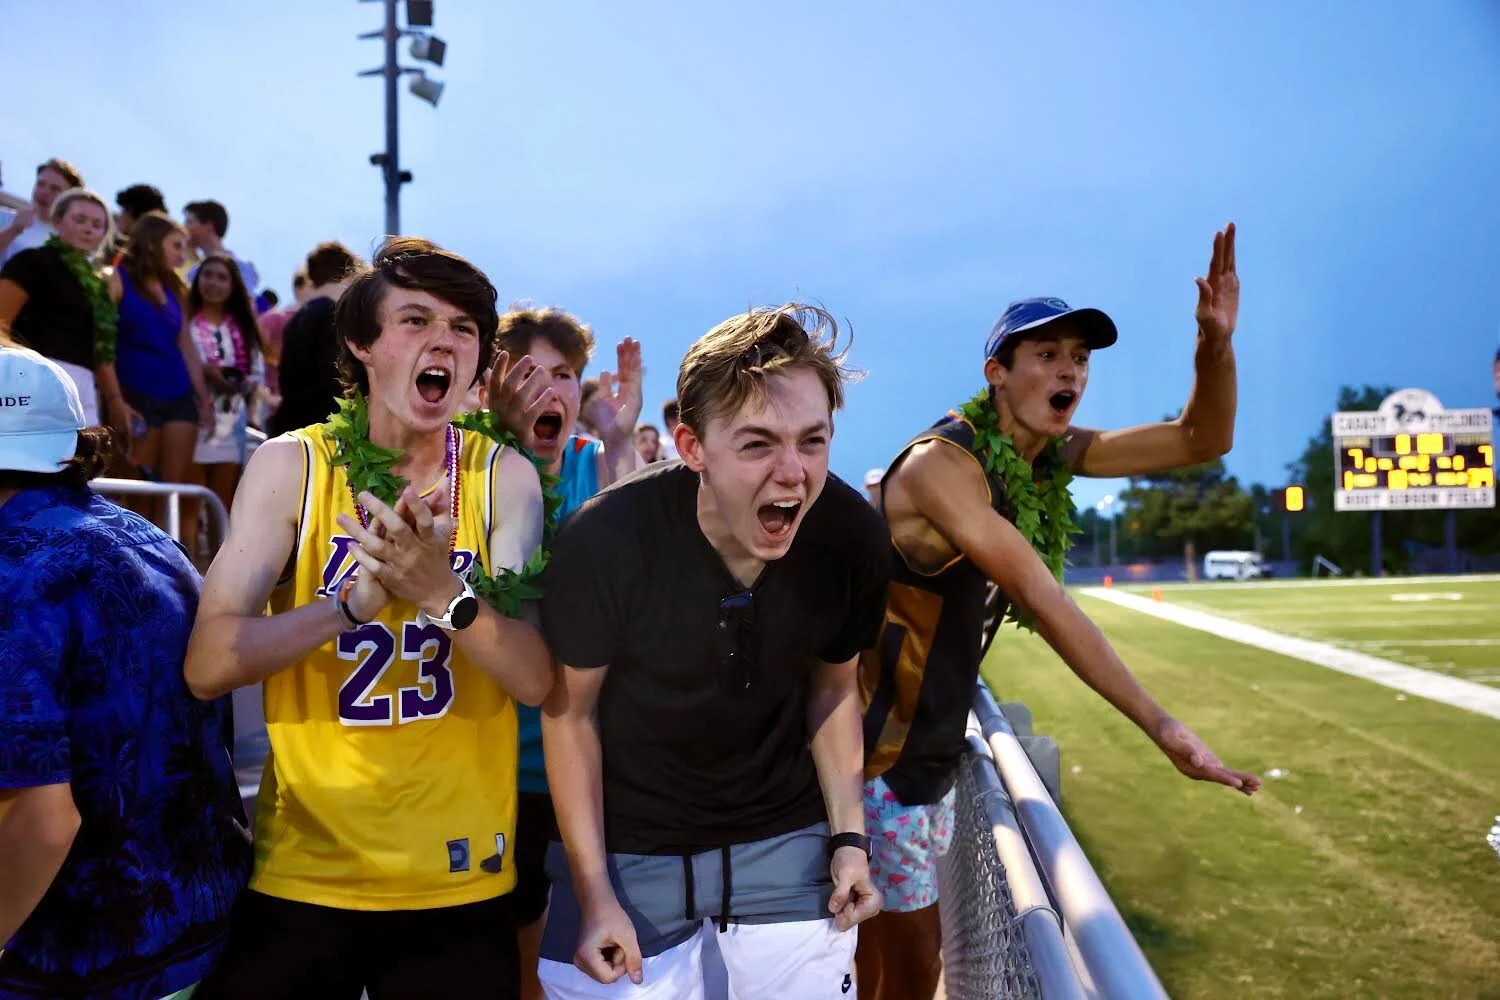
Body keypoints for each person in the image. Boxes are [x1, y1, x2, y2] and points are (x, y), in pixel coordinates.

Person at [854, 223, 1260, 1000]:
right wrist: (1162, 725)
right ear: (996, 373)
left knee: (881, 960)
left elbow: (1202, 438)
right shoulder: (946, 463)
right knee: (905, 968)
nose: (1068, 369)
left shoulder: (1047, 458)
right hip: (873, 755)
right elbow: (1042, 592)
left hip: (924, 748)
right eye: (1046, 355)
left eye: (1079, 357)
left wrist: (1215, 344)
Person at [183, 236, 554, 998]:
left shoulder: (502, 477)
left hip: (458, 878)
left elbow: (534, 677)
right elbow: (209, 664)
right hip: (306, 869)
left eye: (463, 329)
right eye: (415, 320)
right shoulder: (292, 465)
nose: (443, 341)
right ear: (361, 343)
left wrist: (439, 594)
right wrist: (349, 606)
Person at [538, 303, 888, 998]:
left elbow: (834, 688)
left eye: (813, 441)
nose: (794, 473)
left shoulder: (850, 535)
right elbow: (569, 715)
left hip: (784, 836)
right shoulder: (606, 540)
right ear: (692, 446)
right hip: (631, 848)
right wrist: (594, 890)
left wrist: (850, 840)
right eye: (758, 443)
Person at [0, 346, 251, 1000]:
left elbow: (44, 819)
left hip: (78, 961)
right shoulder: (149, 538)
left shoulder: (12, 574)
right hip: (198, 930)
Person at [482, 306, 644, 999]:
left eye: (566, 375)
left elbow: (637, 558)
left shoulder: (592, 463)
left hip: (581, 747)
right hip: (492, 751)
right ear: (494, 384)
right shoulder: (472, 467)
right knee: (511, 933)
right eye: (528, 373)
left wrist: (618, 441)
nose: (549, 389)